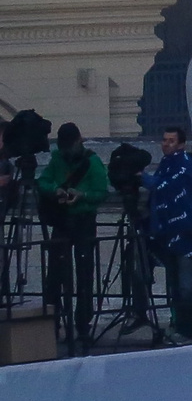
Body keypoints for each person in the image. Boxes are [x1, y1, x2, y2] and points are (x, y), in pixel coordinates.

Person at [35, 123, 107, 349]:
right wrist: (56, 189)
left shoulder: (92, 162)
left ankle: (82, 324)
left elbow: (101, 192)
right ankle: (54, 321)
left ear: (78, 141)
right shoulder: (58, 158)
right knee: (55, 274)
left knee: (84, 273)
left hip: (83, 221)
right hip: (62, 221)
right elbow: (43, 181)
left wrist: (82, 195)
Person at [141, 123, 192, 338]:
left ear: (181, 144)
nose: (166, 144)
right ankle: (178, 325)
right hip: (168, 234)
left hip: (185, 235)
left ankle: (187, 329)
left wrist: (140, 177)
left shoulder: (183, 164)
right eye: (164, 140)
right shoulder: (167, 163)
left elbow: (164, 186)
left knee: (185, 286)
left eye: (171, 141)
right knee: (174, 285)